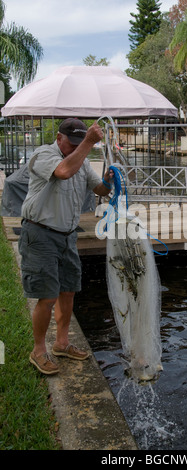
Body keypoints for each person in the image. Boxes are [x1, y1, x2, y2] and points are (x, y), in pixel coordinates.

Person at [18, 118, 113, 375]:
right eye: (71, 143)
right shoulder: (43, 155)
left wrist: (108, 180)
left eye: (78, 144)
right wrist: (88, 143)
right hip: (40, 234)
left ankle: (62, 343)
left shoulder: (79, 161)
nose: (74, 148)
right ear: (59, 138)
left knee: (68, 291)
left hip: (67, 236)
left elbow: (100, 189)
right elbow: (62, 171)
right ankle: (38, 351)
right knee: (47, 295)